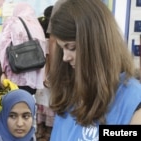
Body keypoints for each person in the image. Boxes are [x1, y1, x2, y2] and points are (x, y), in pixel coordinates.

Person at [48, 0, 141, 140]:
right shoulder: (69, 91)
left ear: (96, 45)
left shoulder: (132, 102)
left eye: (71, 48)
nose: (65, 58)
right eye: (62, 49)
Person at [0, 2, 46, 95]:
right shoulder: (37, 25)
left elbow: (4, 46)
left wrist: (1, 70)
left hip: (15, 74)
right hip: (33, 78)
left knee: (13, 103)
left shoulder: (12, 21)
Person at [35, 5, 54, 141]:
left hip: (40, 79)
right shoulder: (52, 41)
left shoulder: (41, 41)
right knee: (49, 105)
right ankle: (47, 133)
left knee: (41, 105)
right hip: (49, 78)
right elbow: (50, 60)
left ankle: (40, 131)